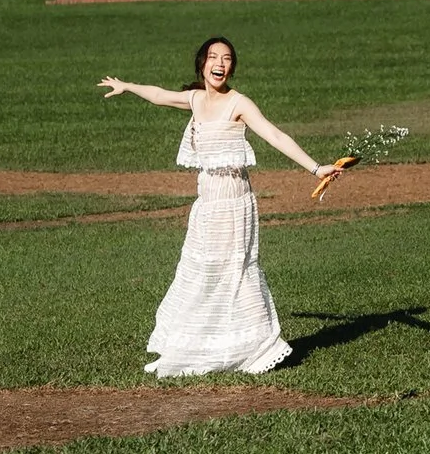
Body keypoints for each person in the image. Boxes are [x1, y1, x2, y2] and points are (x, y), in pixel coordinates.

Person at [100, 37, 339, 376]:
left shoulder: (239, 103)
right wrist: (126, 86)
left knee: (235, 272)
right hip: (207, 204)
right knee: (197, 272)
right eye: (214, 57)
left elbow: (275, 136)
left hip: (235, 203)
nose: (220, 64)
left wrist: (317, 168)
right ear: (203, 64)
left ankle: (255, 349)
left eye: (226, 59)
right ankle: (192, 347)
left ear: (232, 67)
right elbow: (159, 95)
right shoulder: (196, 99)